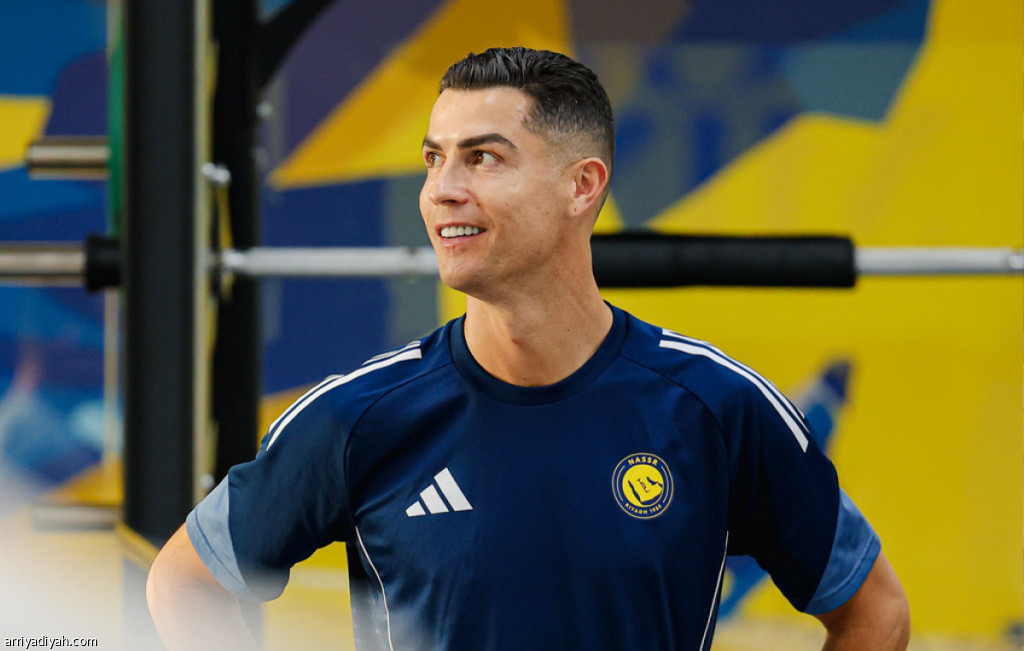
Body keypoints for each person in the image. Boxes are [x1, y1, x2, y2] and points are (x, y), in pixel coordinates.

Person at [147, 47, 910, 650]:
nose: (442, 189)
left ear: (582, 186)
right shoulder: (359, 417)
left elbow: (875, 611)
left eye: (483, 157)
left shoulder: (717, 406)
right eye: (434, 158)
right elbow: (184, 579)